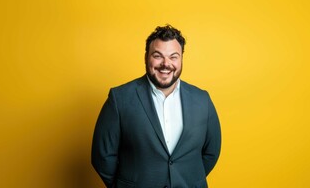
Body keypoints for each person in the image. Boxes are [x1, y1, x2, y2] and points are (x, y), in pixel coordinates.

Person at [91, 25, 221, 188]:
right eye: (158, 56)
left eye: (174, 57)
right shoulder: (120, 98)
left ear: (181, 59)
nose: (166, 64)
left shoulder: (202, 99)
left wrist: (187, 178)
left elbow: (211, 153)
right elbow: (102, 156)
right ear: (146, 57)